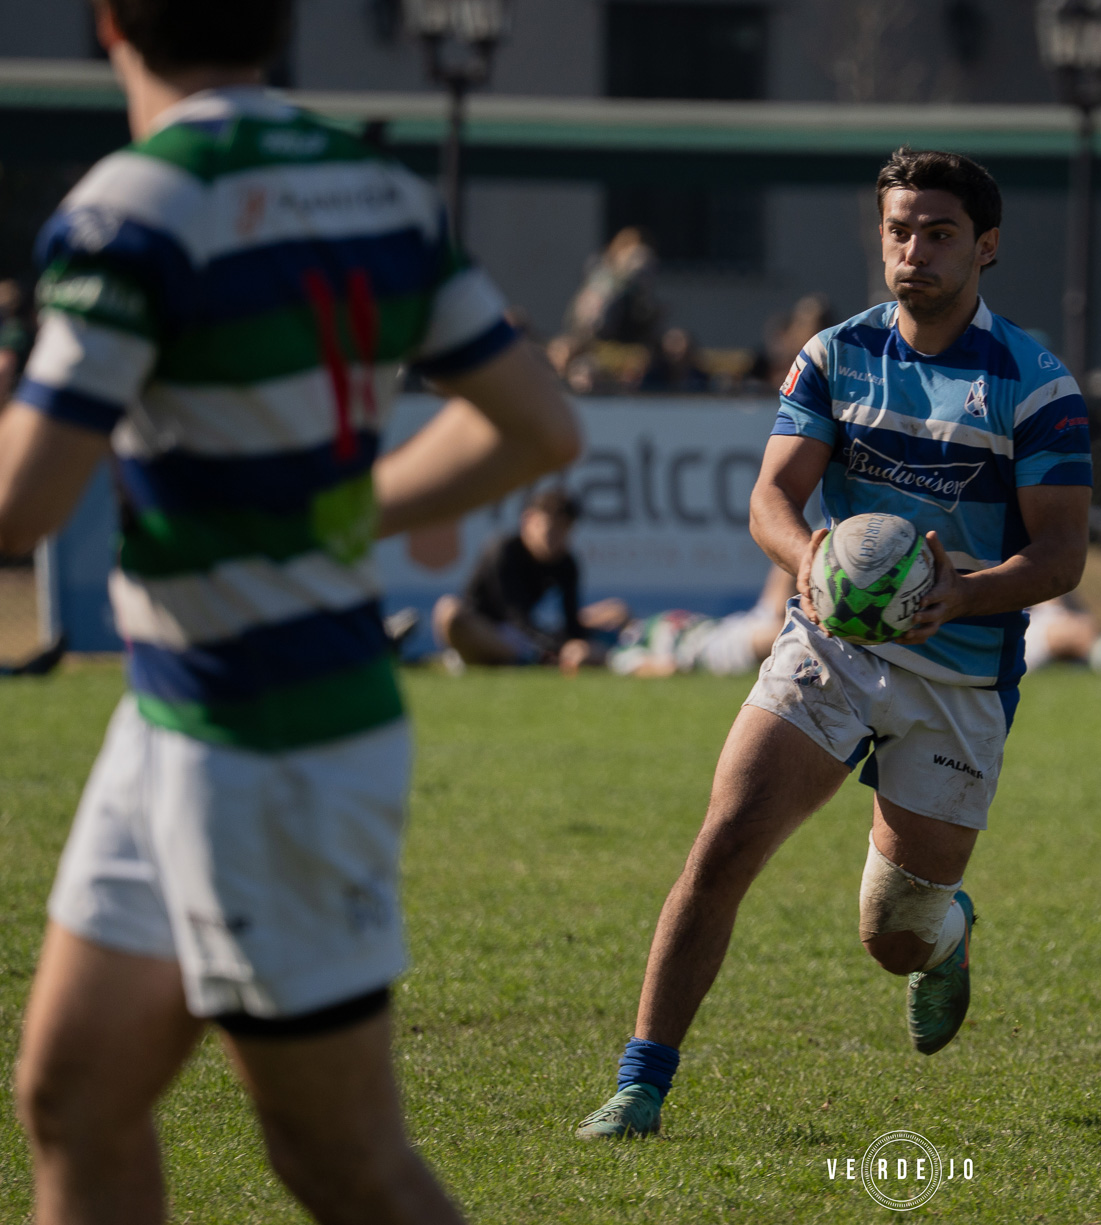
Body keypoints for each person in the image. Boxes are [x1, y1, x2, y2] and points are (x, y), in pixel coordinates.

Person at [0, 3, 581, 1220]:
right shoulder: (375, 188)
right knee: (73, 1100)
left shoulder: (130, 209)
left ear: (109, 25)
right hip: (179, 716)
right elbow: (540, 424)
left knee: (343, 1162)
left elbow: (20, 505)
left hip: (266, 740)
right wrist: (332, 514)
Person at [574, 147, 1091, 1139]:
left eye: (939, 234)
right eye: (899, 230)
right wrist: (808, 559)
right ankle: (641, 1085)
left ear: (985, 248)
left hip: (959, 673)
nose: (914, 251)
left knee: (892, 937)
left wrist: (962, 592)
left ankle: (948, 937)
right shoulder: (836, 354)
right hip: (834, 642)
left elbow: (1062, 555)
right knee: (725, 840)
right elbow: (771, 496)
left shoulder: (1035, 386)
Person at [432, 489, 610, 672]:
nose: (555, 538)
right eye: (550, 528)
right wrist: (554, 646)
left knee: (611, 611)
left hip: (521, 636)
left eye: (563, 531)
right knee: (449, 611)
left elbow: (571, 620)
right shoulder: (502, 551)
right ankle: (519, 657)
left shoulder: (566, 562)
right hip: (485, 628)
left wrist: (575, 645)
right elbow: (515, 615)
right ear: (528, 520)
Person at [593, 566, 796, 679]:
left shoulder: (639, 627)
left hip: (732, 626)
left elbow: (617, 607)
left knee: (786, 559)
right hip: (714, 650)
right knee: (792, 634)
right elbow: (667, 669)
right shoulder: (621, 655)